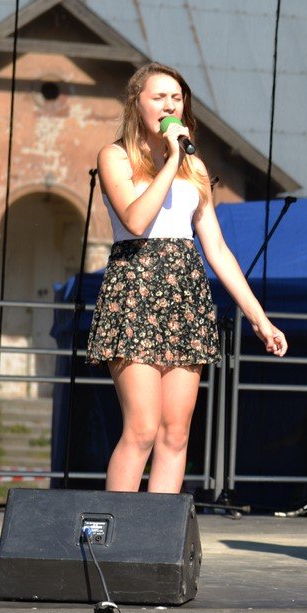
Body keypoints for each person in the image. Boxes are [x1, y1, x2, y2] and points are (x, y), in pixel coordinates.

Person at [88, 63, 287, 493]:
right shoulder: (116, 156)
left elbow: (216, 248)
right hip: (135, 291)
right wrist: (172, 160)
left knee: (175, 433)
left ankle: (158, 530)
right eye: (159, 97)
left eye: (176, 98)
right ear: (137, 103)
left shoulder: (193, 166)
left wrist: (259, 318)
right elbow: (136, 220)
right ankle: (118, 528)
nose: (169, 105)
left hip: (185, 296)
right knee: (142, 427)